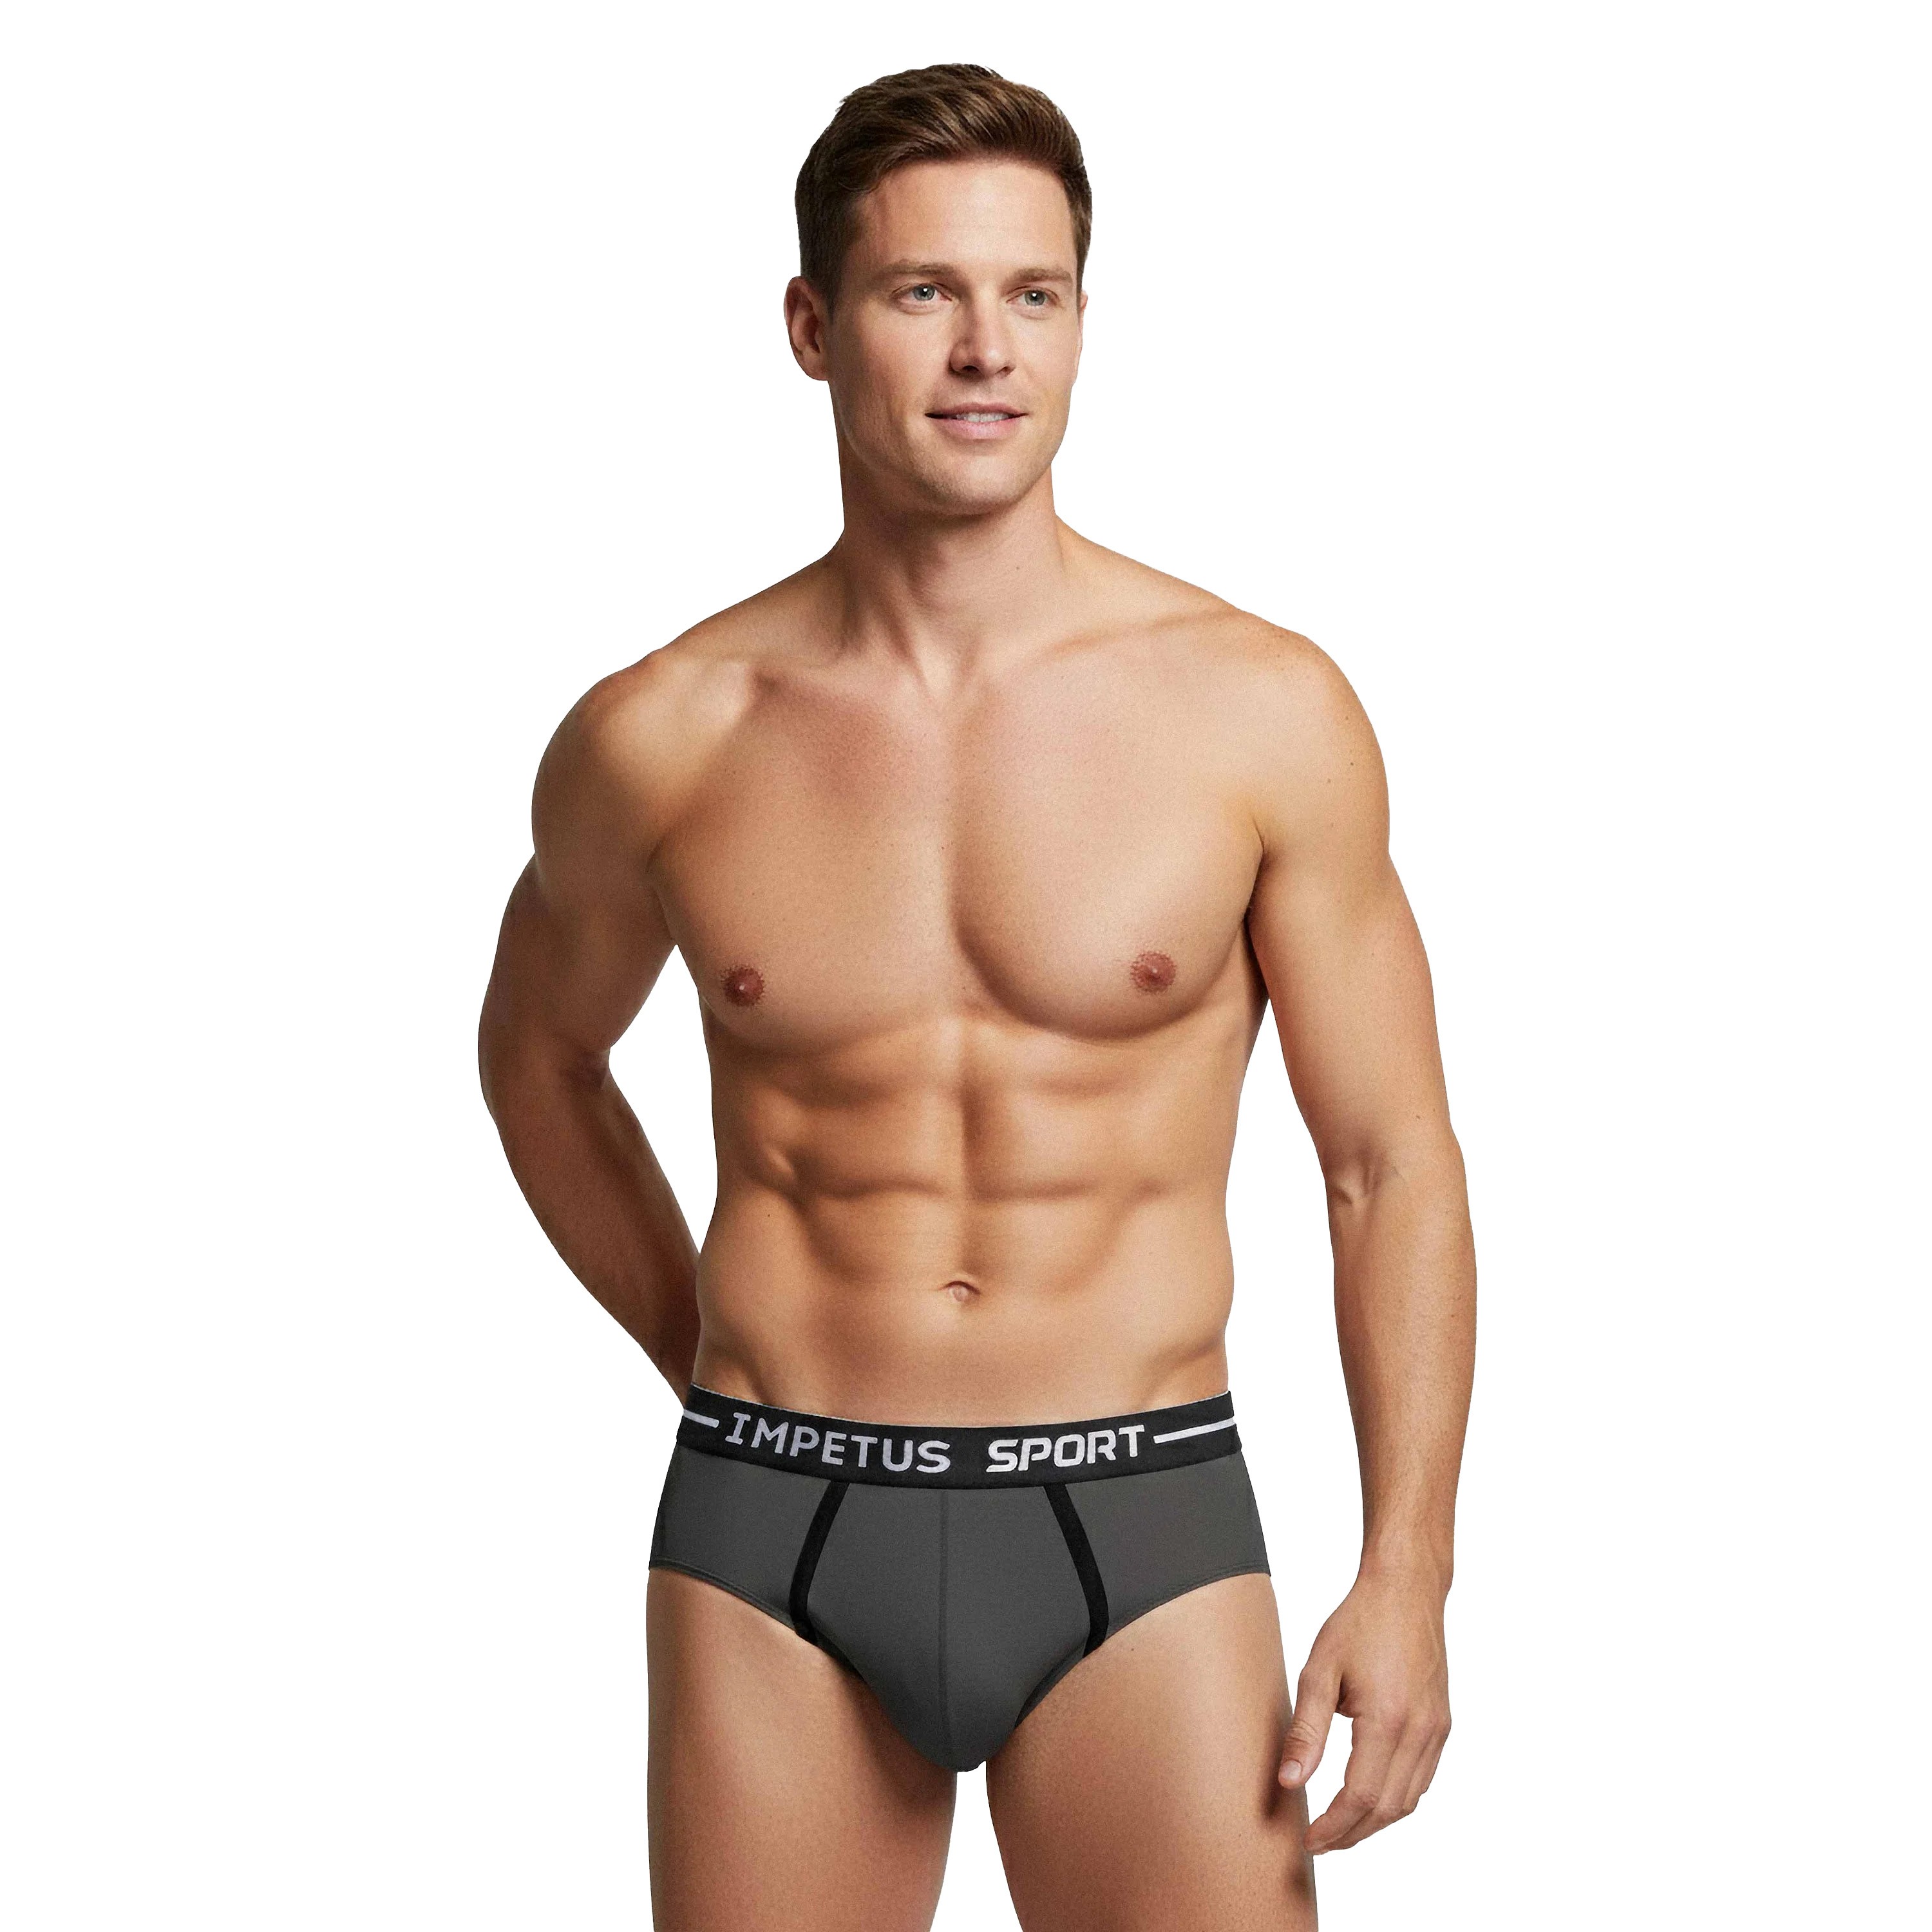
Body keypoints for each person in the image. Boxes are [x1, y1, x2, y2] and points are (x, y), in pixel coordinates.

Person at [478, 62, 1475, 1931]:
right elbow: (537, 1059)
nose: (984, 352)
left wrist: (1407, 1567)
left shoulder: (1258, 711)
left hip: (1143, 1518)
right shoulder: (666, 735)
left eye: (1035, 294)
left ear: (1084, 319)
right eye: (921, 291)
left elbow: (1387, 1161)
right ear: (812, 326)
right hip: (775, 1530)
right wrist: (700, 1343)